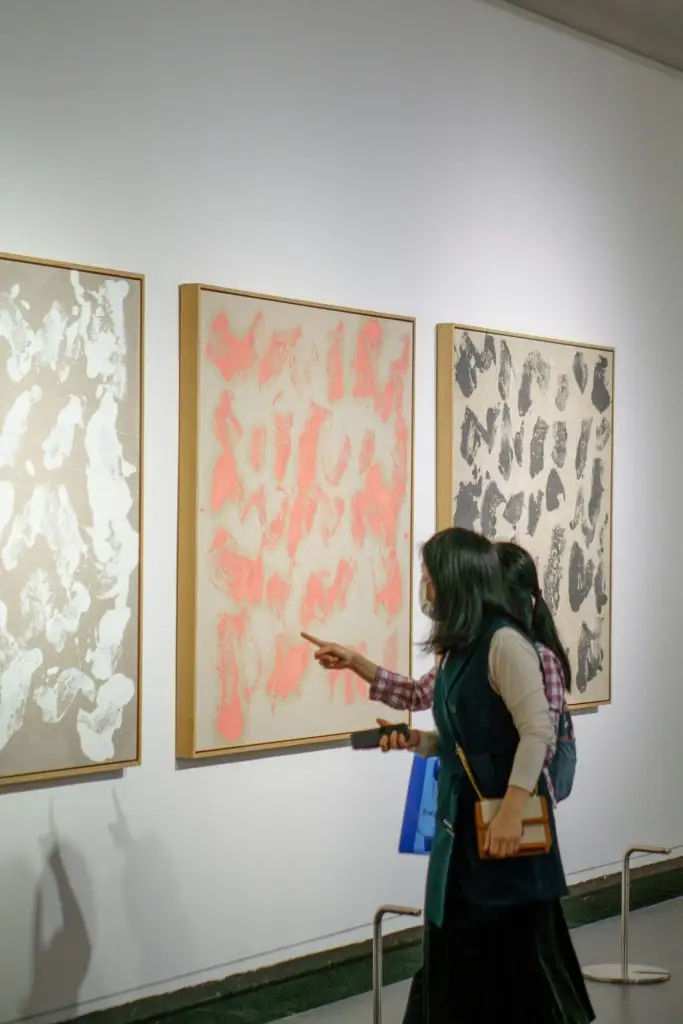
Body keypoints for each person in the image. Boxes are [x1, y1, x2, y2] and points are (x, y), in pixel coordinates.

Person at [314, 528, 594, 1023]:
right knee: (457, 967)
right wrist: (420, 742)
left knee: (506, 975)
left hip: (502, 846)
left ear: (455, 580)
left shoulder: (505, 643)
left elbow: (537, 734)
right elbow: (464, 736)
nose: (424, 587)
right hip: (462, 837)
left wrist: (511, 809)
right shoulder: (457, 649)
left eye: (428, 577)